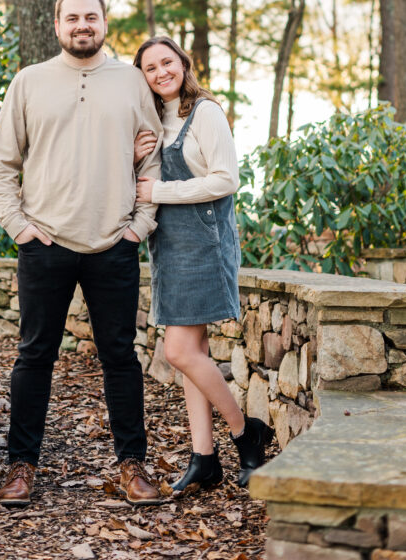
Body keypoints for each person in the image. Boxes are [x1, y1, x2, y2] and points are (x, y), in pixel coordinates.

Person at [0, 0, 164, 506]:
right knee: (34, 356)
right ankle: (21, 468)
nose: (82, 25)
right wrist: (17, 225)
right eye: (72, 18)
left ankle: (132, 466)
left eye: (91, 16)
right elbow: (2, 164)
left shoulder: (132, 82)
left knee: (120, 357)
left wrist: (140, 226)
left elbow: (151, 160)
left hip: (114, 241)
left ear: (105, 23)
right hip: (46, 241)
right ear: (57, 25)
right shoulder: (29, 82)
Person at [133, 35, 273, 494]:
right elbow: (144, 178)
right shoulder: (155, 119)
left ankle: (245, 432)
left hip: (204, 244)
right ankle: (204, 459)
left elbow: (225, 179)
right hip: (169, 248)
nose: (160, 73)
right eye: (150, 68)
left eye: (166, 63)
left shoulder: (205, 112)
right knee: (192, 358)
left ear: (183, 63)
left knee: (177, 352)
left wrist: (161, 192)